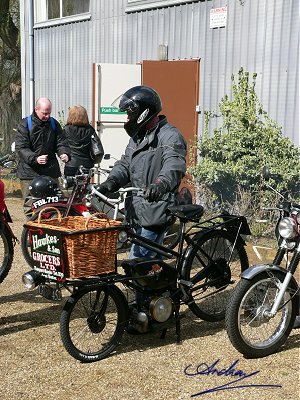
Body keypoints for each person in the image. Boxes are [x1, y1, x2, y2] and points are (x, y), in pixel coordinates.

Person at [97, 86, 186, 328]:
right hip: (136, 209)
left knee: (139, 261)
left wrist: (161, 184)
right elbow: (125, 164)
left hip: (158, 207)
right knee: (147, 263)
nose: (127, 118)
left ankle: (144, 314)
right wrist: (111, 182)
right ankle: (157, 304)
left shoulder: (169, 136)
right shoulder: (137, 137)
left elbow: (174, 164)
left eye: (129, 113)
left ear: (143, 112)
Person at [15, 97, 71, 201]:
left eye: (49, 113)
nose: (47, 116)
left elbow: (61, 142)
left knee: (55, 202)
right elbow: (21, 148)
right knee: (31, 204)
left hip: (50, 172)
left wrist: (64, 153)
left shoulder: (54, 124)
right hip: (29, 173)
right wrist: (35, 158)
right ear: (36, 109)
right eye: (44, 113)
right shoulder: (25, 124)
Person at [63, 105, 104, 176]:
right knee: (85, 185)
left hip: (71, 164)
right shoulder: (90, 129)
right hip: (87, 165)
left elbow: (62, 145)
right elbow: (97, 146)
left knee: (70, 186)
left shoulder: (66, 129)